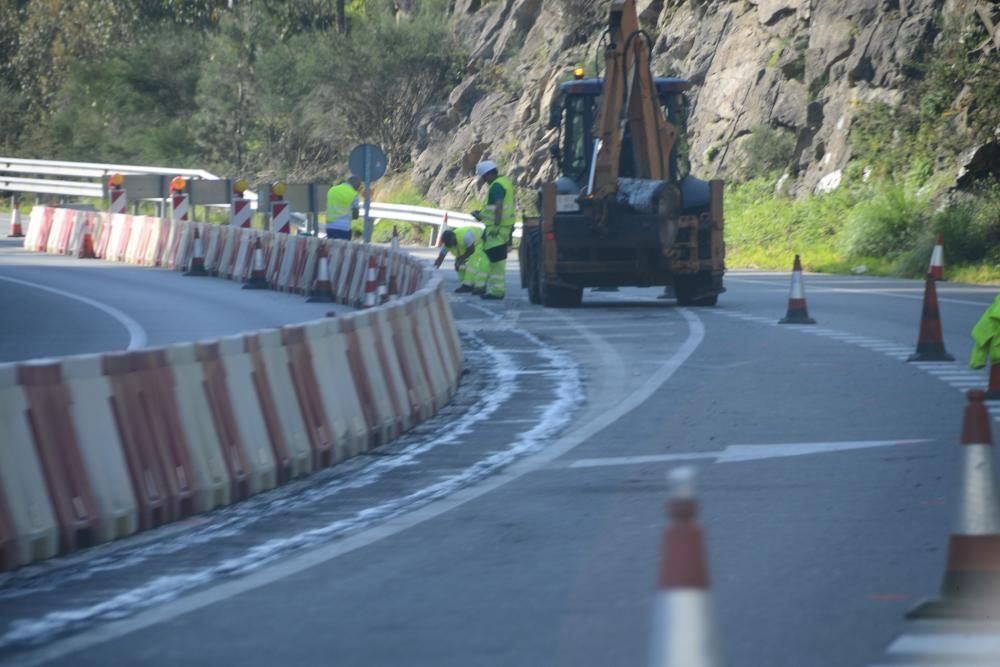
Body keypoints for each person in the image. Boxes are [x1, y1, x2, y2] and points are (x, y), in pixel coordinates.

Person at [471, 159, 516, 300]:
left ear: (489, 174)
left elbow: (498, 206)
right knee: (493, 259)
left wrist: (496, 225)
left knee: (496, 261)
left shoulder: (496, 187)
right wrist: (481, 215)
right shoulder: (504, 182)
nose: (484, 181)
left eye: (484, 177)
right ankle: (492, 289)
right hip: (501, 228)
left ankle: (496, 291)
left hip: (497, 230)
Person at [434, 226, 487, 294]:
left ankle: (468, 286)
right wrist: (433, 270)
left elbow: (471, 250)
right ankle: (470, 283)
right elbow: (440, 258)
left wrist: (460, 259)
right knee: (460, 266)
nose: (450, 245)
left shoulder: (466, 236)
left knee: (473, 262)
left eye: (450, 243)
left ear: (453, 238)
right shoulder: (448, 244)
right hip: (468, 247)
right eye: (447, 244)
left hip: (480, 241)